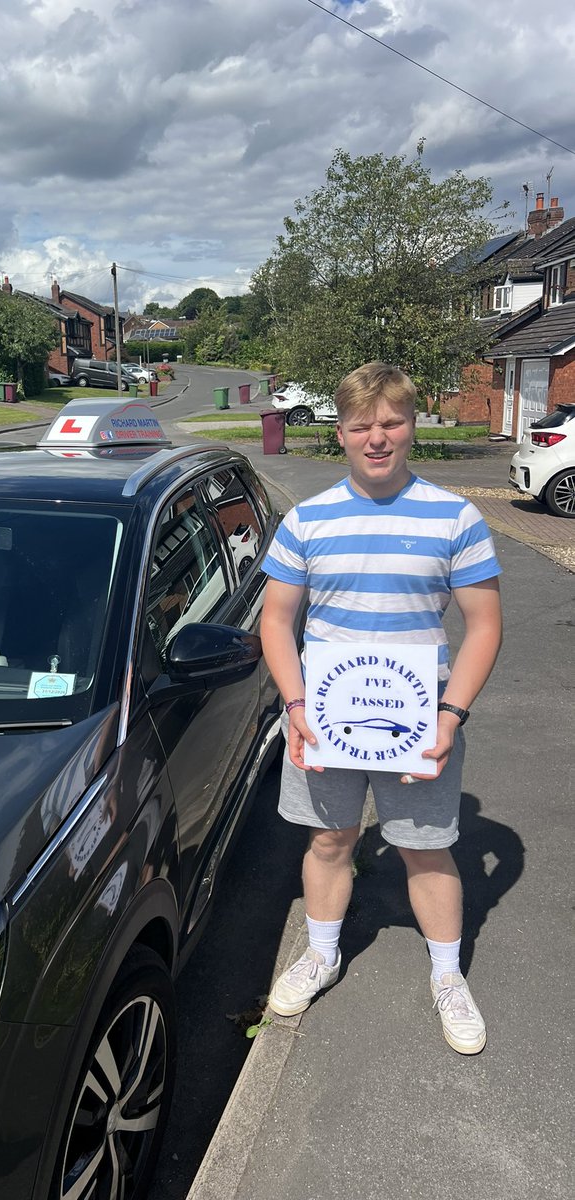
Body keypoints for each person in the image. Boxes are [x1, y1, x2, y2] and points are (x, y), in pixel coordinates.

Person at [260, 362, 502, 1055]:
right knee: (331, 840)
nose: (377, 437)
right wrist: (296, 703)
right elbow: (277, 621)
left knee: (424, 850)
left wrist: (450, 716)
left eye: (391, 421)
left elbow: (484, 624)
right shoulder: (307, 520)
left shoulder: (456, 517)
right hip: (323, 721)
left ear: (411, 426)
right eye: (362, 424)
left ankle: (448, 975)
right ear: (340, 432)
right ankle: (323, 953)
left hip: (419, 725)